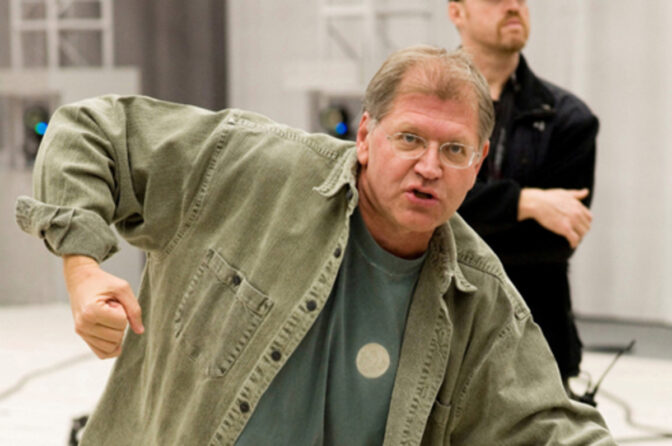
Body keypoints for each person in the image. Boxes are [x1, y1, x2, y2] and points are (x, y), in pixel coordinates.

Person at [16, 46, 613, 445]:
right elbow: (90, 132)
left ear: (478, 163)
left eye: (453, 150)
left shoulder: (478, 301)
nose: (429, 166)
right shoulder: (244, 167)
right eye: (409, 139)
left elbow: (548, 429)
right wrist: (82, 268)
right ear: (366, 136)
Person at [448, 0, 599, 388]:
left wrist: (457, 208)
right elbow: (401, 206)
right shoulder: (423, 105)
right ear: (457, 12)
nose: (514, 6)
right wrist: (524, 203)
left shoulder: (568, 118)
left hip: (535, 339)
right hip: (436, 322)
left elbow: (554, 241)